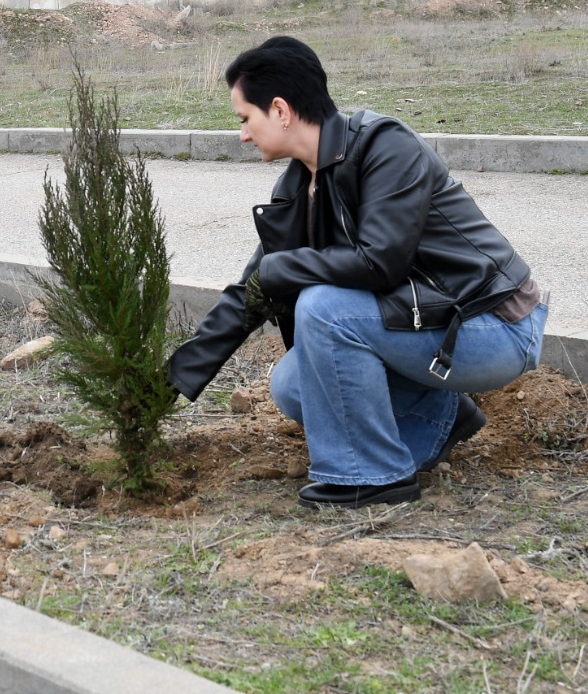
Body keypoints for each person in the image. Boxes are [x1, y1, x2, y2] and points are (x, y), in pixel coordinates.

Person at [167, 36, 547, 509]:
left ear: (280, 110)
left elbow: (380, 261)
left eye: (245, 119)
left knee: (324, 308)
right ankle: (440, 417)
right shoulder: (299, 185)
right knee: (292, 384)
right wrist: (173, 380)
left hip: (493, 324)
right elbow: (253, 291)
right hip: (427, 324)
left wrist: (283, 268)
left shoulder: (385, 146)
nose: (243, 135)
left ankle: (373, 475)